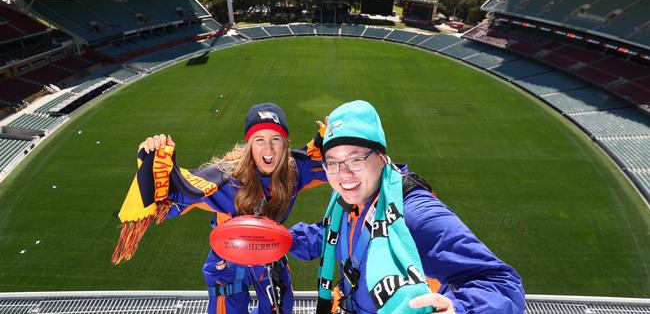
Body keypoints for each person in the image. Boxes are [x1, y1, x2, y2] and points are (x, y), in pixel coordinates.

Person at [289, 100, 526, 313]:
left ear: (381, 157)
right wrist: (285, 240)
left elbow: (502, 285)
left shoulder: (415, 215)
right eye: (333, 162)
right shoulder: (348, 201)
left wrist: (460, 309)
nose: (344, 174)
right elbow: (333, 235)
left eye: (355, 159)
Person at [112, 103, 327, 314]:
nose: (268, 149)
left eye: (275, 139)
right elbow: (172, 194)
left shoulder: (294, 172)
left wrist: (339, 138)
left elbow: (334, 164)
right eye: (259, 139)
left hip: (268, 253)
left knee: (281, 307)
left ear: (285, 144)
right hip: (227, 261)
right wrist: (154, 156)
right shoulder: (225, 181)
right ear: (249, 144)